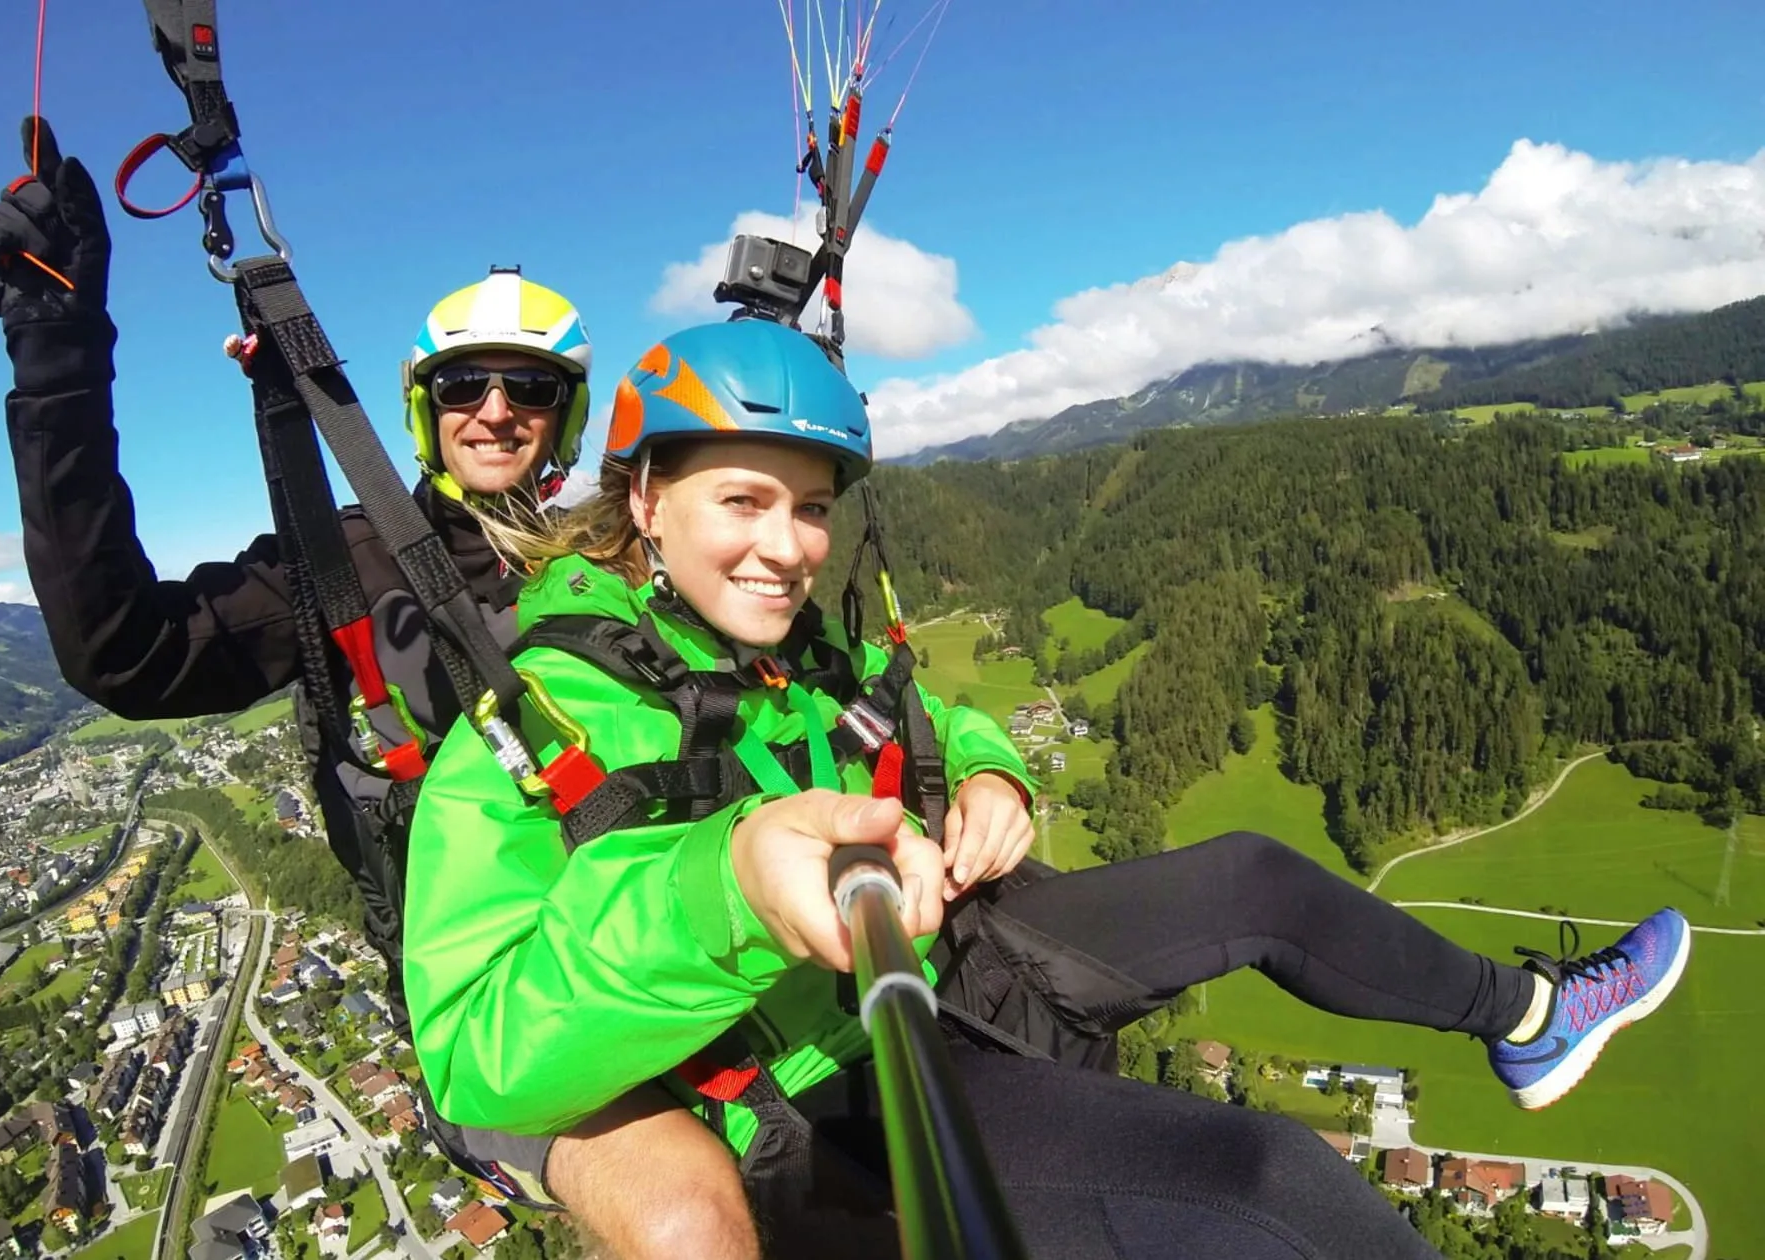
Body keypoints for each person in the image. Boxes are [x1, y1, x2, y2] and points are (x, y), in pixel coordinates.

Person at [405, 317, 1692, 1259]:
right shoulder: (529, 720)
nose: (788, 547)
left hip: (948, 953)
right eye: (743, 499)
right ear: (645, 496)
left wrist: (992, 766)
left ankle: (1529, 1018)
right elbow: (471, 1055)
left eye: (811, 509)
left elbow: (921, 708)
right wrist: (722, 892)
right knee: (1266, 1186)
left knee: (1255, 876)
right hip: (807, 1076)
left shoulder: (791, 651)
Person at [0, 121, 761, 1260]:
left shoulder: (630, 553)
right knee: (691, 1222)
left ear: (564, 416)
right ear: (425, 406)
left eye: (526, 386)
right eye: (464, 383)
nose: (494, 408)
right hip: (500, 999)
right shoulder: (341, 568)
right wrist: (59, 358)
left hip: (670, 939)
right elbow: (121, 653)